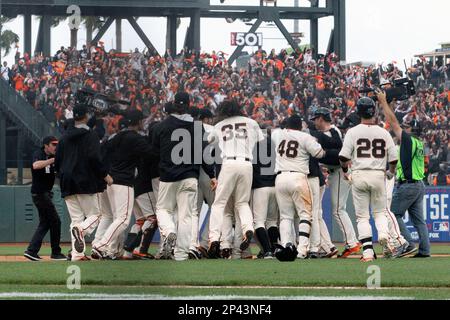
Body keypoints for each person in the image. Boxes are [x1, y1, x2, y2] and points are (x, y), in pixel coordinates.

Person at [152, 92, 216, 261]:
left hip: (167, 176)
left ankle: (169, 230)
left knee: (163, 210)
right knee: (186, 216)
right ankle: (181, 254)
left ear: (174, 104)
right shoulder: (197, 126)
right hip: (190, 176)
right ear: (189, 105)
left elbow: (154, 151)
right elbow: (204, 154)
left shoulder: (161, 126)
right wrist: (212, 175)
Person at [339, 97, 401, 262]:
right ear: (374, 111)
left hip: (359, 174)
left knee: (362, 217)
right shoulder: (383, 132)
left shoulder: (353, 132)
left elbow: (343, 157)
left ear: (359, 112)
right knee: (380, 213)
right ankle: (384, 235)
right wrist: (390, 173)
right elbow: (394, 158)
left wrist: (346, 171)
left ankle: (367, 252)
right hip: (378, 174)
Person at [92, 110, 154, 259]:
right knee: (123, 220)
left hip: (110, 180)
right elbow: (152, 154)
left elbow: (101, 152)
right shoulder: (135, 138)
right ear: (138, 122)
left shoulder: (116, 137)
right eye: (142, 121)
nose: (143, 123)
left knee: (116, 218)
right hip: (123, 182)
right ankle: (101, 245)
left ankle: (112, 250)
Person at [55, 104, 113, 261]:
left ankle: (77, 254)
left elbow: (57, 161)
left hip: (67, 181)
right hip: (84, 180)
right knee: (96, 214)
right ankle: (81, 231)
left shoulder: (64, 137)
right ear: (86, 117)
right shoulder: (91, 135)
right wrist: (104, 175)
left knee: (76, 219)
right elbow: (94, 158)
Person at [207, 99, 264, 259]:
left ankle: (214, 239)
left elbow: (208, 141)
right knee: (242, 203)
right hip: (247, 164)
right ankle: (247, 228)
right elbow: (260, 141)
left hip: (229, 163)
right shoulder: (252, 122)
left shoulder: (219, 125)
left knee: (219, 204)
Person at [377, 90, 431, 258]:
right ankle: (425, 251)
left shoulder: (409, 140)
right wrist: (389, 105)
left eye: (406, 126)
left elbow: (393, 123)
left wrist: (384, 103)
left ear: (411, 129)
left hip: (408, 185)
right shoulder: (418, 143)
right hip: (418, 184)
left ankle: (407, 243)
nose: (403, 128)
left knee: (393, 213)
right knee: (419, 221)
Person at [274, 115, 326, 259]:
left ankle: (286, 245)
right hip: (298, 176)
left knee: (285, 217)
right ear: (300, 126)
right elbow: (319, 153)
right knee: (305, 214)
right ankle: (302, 249)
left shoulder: (278, 134)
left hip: (280, 177)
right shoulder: (304, 137)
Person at [313, 108, 361, 258]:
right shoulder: (331, 131)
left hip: (341, 171)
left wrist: (320, 142)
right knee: (339, 209)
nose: (314, 122)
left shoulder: (334, 131)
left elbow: (338, 151)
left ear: (321, 119)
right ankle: (351, 243)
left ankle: (352, 243)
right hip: (335, 172)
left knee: (338, 210)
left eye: (315, 118)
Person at [24, 136, 66, 261]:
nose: (55, 147)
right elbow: (36, 165)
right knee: (55, 221)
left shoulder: (54, 157)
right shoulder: (39, 153)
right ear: (46, 145)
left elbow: (59, 173)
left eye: (56, 144)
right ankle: (56, 252)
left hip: (46, 194)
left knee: (45, 223)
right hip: (40, 194)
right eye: (53, 144)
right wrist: (53, 160)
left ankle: (32, 251)